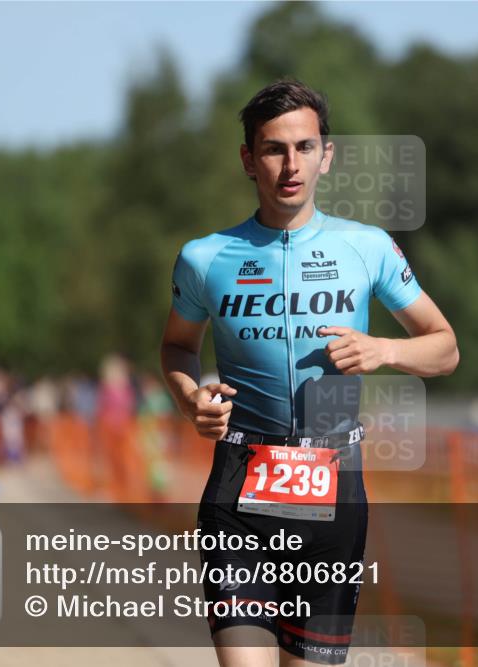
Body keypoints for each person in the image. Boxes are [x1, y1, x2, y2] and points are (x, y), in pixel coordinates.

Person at [160, 79, 458, 667]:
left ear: (327, 154)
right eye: (273, 149)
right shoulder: (205, 256)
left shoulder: (367, 247)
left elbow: (444, 348)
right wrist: (191, 398)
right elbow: (176, 347)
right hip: (238, 494)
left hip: (334, 494)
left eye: (304, 146)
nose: (289, 164)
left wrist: (382, 350)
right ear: (249, 160)